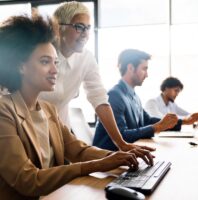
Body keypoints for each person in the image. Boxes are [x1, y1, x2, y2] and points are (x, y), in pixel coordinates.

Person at [0, 16, 155, 200]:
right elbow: (28, 180)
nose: (55, 70)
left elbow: (79, 151)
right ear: (21, 67)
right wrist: (97, 165)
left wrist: (119, 156)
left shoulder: (48, 110)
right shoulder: (4, 111)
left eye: (55, 62)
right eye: (44, 61)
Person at [39, 1, 153, 152]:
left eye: (88, 28)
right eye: (79, 27)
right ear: (59, 28)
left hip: (60, 132)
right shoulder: (40, 54)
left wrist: (121, 144)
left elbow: (99, 98)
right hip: (30, 129)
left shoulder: (86, 58)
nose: (85, 33)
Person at [93, 49, 198, 150]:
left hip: (128, 154)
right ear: (130, 68)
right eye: (144, 69)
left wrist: (184, 121)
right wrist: (157, 127)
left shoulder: (134, 96)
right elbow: (121, 136)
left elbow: (147, 121)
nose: (147, 75)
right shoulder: (114, 95)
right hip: (109, 158)